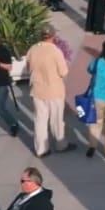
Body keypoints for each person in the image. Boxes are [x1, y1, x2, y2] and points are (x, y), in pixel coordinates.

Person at [26, 26, 74, 157]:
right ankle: (60, 144)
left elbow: (28, 67)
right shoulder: (55, 51)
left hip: (37, 90)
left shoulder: (33, 49)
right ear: (53, 36)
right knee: (56, 120)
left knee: (40, 121)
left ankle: (41, 149)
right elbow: (63, 72)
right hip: (54, 91)